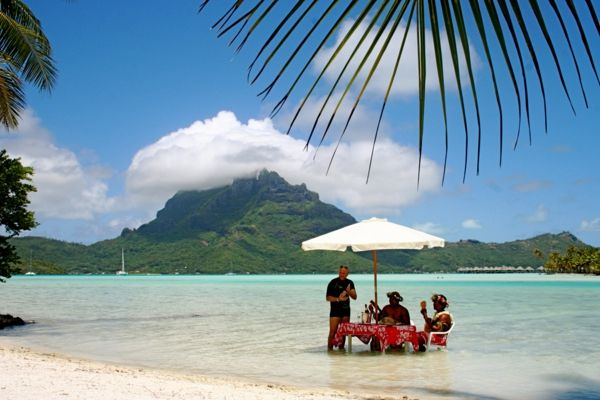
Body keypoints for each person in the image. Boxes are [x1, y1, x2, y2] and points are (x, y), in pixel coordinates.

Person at [326, 265, 357, 350]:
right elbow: (328, 298)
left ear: (347, 274)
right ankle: (329, 350)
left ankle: (341, 350)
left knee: (343, 332)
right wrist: (338, 299)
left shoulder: (350, 283)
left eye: (344, 273)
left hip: (346, 311)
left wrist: (348, 292)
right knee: (332, 332)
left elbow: (355, 297)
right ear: (338, 272)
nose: (342, 274)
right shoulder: (333, 282)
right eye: (340, 272)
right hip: (335, 311)